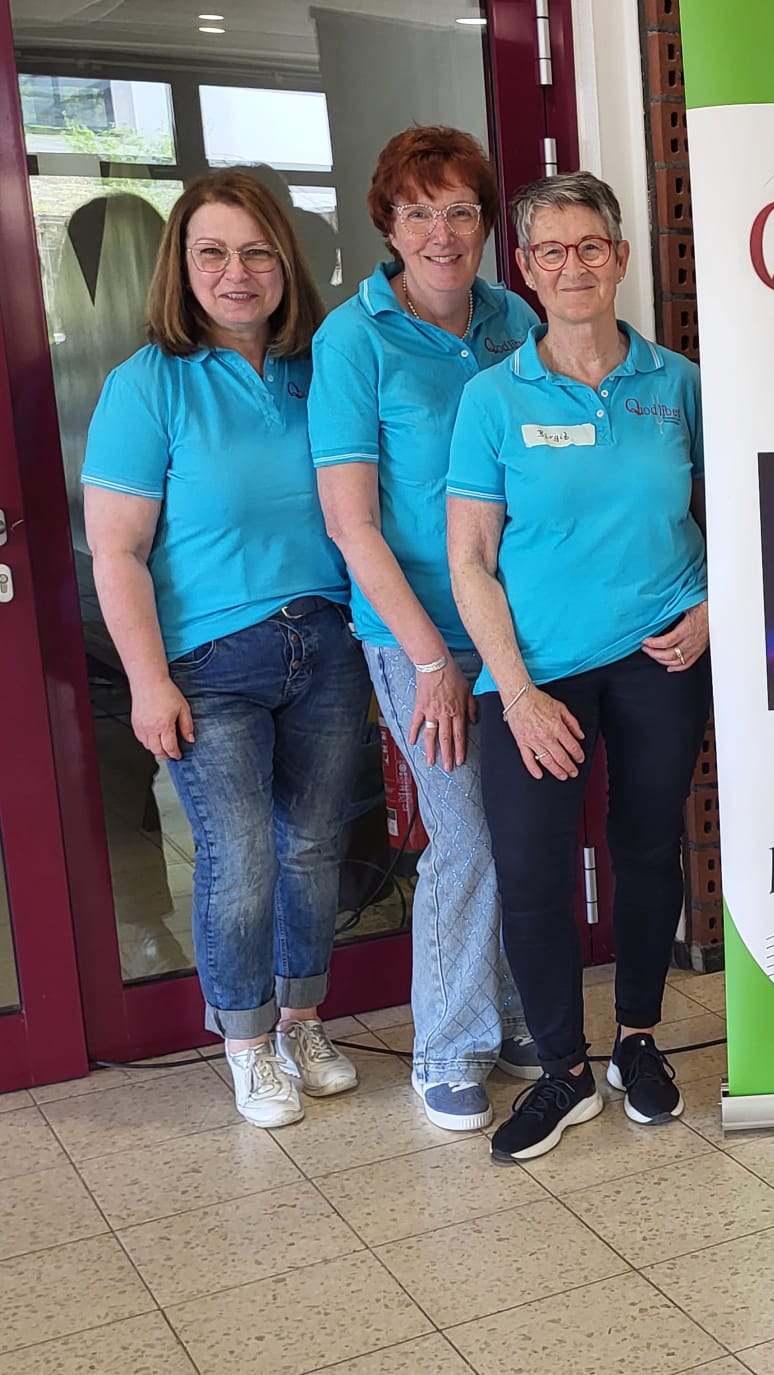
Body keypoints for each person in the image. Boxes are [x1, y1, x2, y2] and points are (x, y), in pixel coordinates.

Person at [82, 170, 368, 1127]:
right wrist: (146, 681)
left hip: (326, 641)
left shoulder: (321, 369)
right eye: (212, 252)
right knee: (239, 856)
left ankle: (302, 1022)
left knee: (314, 847)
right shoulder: (148, 384)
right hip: (209, 664)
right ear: (182, 265)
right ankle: (246, 1045)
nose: (236, 272)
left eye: (256, 251)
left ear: (286, 262)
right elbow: (118, 552)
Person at [447, 171, 710, 1162]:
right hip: (536, 675)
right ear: (525, 267)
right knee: (530, 871)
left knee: (646, 850)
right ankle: (561, 1069)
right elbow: (471, 559)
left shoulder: (677, 384)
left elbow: (739, 512)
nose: (572, 267)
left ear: (620, 257)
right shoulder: (492, 399)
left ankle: (637, 1038)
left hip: (660, 656)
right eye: (551, 251)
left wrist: (713, 611)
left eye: (589, 247)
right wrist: (516, 692)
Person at [311, 125, 542, 1131]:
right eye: (417, 213)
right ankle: (448, 1047)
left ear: (485, 223)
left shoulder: (512, 318)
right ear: (388, 225)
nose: (440, 233)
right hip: (417, 634)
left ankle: (510, 1015)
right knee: (465, 836)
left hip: (517, 627)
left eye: (458, 211)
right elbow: (351, 524)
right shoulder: (352, 341)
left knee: (518, 829)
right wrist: (431, 661)